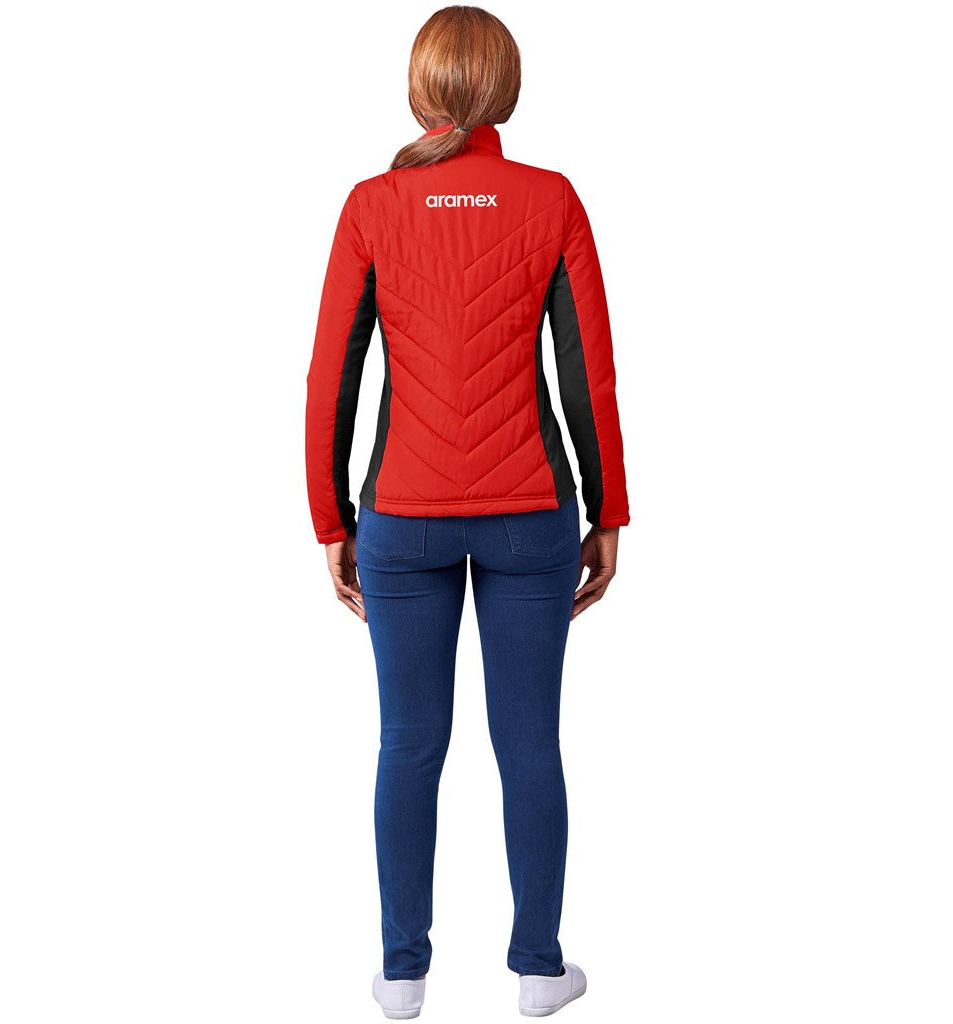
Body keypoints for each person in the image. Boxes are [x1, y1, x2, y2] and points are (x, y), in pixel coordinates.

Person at [304, 6, 630, 1018]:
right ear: (507, 89)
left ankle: (403, 975)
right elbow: (588, 377)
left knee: (408, 744)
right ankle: (539, 971)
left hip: (399, 518)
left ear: (420, 92)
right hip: (532, 515)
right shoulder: (551, 199)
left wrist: (330, 520)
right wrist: (609, 510)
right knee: (529, 744)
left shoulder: (372, 205)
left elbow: (330, 379)